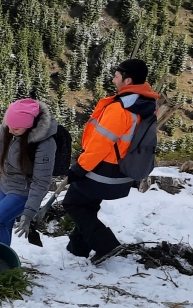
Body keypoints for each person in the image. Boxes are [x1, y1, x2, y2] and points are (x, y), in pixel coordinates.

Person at [64, 59, 159, 265]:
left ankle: (106, 244)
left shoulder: (120, 108)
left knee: (72, 203)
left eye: (117, 76)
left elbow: (100, 144)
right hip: (121, 171)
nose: (113, 79)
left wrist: (80, 168)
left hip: (101, 170)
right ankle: (77, 248)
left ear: (128, 80)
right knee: (87, 205)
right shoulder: (145, 104)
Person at [0, 99, 59, 247]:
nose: (10, 131)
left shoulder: (45, 143)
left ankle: (2, 260)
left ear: (29, 127)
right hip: (5, 184)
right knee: (5, 223)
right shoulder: (7, 128)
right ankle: (7, 264)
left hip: (24, 190)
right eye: (9, 126)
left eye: (16, 129)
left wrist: (29, 213)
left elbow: (41, 181)